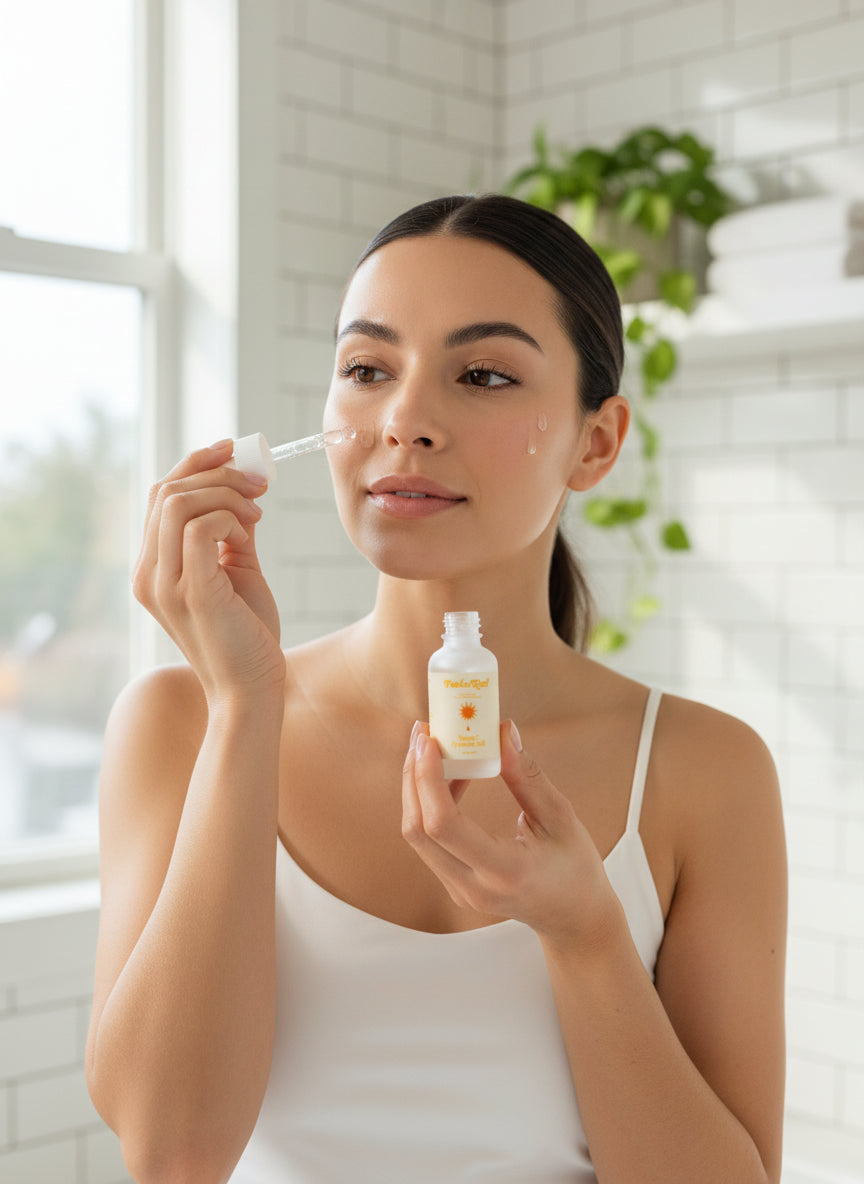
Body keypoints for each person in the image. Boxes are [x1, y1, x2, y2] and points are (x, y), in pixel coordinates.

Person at [85, 194, 787, 1184]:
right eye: (368, 369)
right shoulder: (178, 721)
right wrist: (246, 710)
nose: (404, 420)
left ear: (597, 441)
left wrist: (586, 929)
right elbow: (173, 1152)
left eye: (485, 374)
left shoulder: (702, 769)